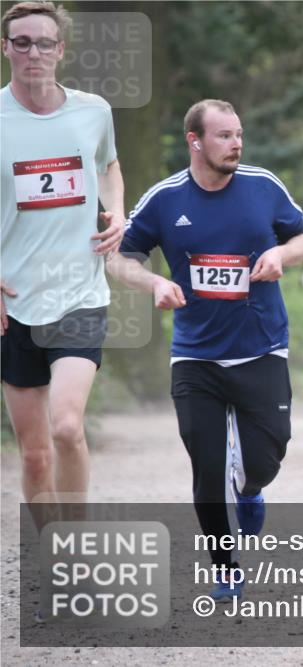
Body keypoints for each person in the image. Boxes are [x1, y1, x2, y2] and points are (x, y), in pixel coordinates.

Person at [106, 99, 303, 601]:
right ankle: (225, 566)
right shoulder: (164, 198)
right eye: (224, 135)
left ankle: (251, 489)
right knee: (206, 464)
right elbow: (118, 259)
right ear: (194, 141)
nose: (236, 144)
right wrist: (155, 282)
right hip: (195, 355)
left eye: (238, 134)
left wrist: (280, 253)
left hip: (261, 346)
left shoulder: (263, 186)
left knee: (266, 457)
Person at [1, 1, 125, 524]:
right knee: (34, 456)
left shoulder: (93, 111)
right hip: (14, 302)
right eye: (22, 42)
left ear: (61, 50)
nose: (34, 52)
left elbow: (109, 165)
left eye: (44, 43)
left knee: (67, 428)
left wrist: (117, 211)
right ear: (6, 48)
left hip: (79, 293)